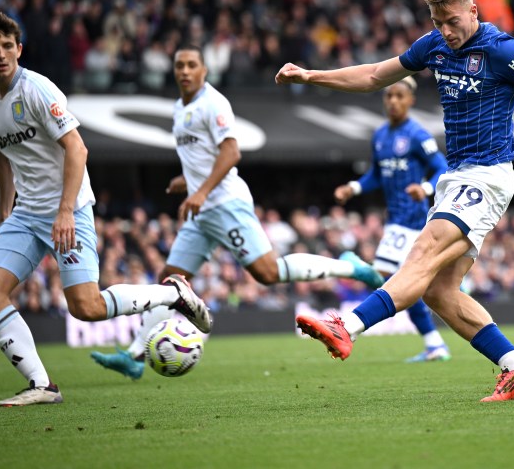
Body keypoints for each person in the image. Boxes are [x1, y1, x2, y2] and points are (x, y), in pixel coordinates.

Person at [276, 0, 514, 402]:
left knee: (420, 253)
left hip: (487, 175)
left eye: (453, 20)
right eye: (438, 21)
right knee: (438, 290)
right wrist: (311, 76)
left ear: (473, 11)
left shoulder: (501, 49)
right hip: (456, 177)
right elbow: (372, 76)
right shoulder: (433, 45)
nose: (445, 31)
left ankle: (346, 326)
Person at [90, 45, 384, 379]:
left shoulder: (213, 103)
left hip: (225, 203)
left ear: (204, 71)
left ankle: (352, 267)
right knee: (171, 283)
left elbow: (231, 154)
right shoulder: (178, 108)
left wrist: (199, 190)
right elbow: (202, 159)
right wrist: (186, 181)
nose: (185, 71)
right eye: (180, 66)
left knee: (267, 273)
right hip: (201, 210)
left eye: (191, 65)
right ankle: (134, 357)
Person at [0, 10, 212, 407]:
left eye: (7, 46)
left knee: (86, 306)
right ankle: (42, 385)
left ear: (19, 49)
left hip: (69, 209)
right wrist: (4, 212)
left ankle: (172, 294)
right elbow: (3, 153)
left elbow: (78, 148)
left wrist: (65, 211)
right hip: (26, 213)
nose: (1, 54)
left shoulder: (37, 90)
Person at [333, 76, 452, 362]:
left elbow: (443, 169)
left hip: (412, 219)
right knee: (402, 285)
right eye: (389, 96)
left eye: (400, 96)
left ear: (410, 100)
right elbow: (377, 173)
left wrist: (423, 188)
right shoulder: (380, 136)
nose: (393, 101)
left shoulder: (418, 135)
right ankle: (435, 344)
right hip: (395, 218)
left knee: (388, 278)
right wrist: (354, 187)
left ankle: (354, 276)